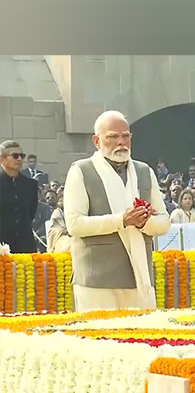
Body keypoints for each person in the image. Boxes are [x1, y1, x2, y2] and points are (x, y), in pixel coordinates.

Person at [63, 110, 170, 311]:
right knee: (99, 340)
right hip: (97, 282)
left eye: (125, 136)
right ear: (97, 140)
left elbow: (164, 222)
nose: (121, 142)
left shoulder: (144, 171)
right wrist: (122, 220)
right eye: (113, 136)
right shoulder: (81, 171)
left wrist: (144, 222)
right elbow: (75, 225)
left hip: (140, 280)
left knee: (143, 339)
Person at [0, 141, 38, 253]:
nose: (19, 159)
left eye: (22, 156)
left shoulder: (30, 185)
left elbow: (31, 213)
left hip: (25, 245)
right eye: (15, 156)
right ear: (2, 159)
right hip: (2, 245)